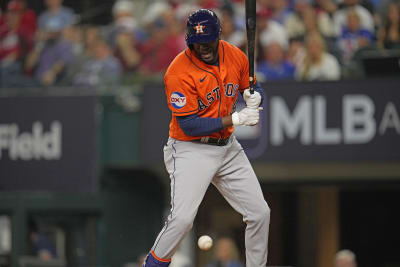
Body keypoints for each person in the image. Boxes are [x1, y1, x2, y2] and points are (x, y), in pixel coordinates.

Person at [142, 9, 270, 267]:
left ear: (218, 36)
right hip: (191, 149)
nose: (203, 47)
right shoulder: (178, 71)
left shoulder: (234, 55)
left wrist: (255, 95)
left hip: (227, 148)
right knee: (182, 220)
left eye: (208, 41)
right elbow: (190, 125)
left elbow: (250, 87)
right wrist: (235, 119)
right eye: (197, 43)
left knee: (260, 213)